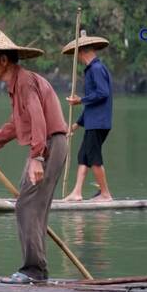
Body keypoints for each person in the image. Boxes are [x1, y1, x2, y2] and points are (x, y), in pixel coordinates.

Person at [0, 29, 68, 284]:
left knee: (27, 206)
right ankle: (37, 270)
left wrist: (38, 157)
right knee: (32, 207)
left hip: (47, 145)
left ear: (3, 60)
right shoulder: (17, 85)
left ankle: (34, 271)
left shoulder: (26, 82)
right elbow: (16, 125)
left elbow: (39, 118)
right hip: (47, 145)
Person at [62, 30, 113, 202]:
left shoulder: (97, 69)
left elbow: (102, 93)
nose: (76, 57)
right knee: (83, 155)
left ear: (83, 51)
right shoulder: (91, 70)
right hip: (93, 121)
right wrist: (75, 125)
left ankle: (105, 194)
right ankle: (77, 192)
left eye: (77, 54)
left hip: (99, 123)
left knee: (93, 157)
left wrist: (80, 100)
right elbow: (92, 104)